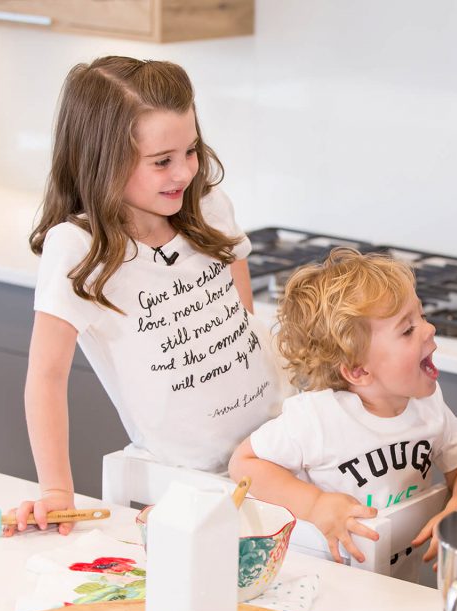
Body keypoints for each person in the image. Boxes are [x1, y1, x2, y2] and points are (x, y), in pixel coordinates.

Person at [14, 56, 288, 535]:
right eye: (162, 161)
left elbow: (244, 318)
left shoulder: (207, 207)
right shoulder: (79, 249)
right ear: (103, 160)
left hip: (277, 444)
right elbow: (45, 377)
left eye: (191, 150)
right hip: (188, 480)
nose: (184, 172)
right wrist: (55, 492)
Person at [228, 248, 457, 564]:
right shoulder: (318, 417)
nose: (429, 329)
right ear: (359, 371)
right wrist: (315, 505)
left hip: (394, 583)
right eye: (407, 329)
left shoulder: (428, 404)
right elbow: (244, 463)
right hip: (328, 583)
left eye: (421, 316)